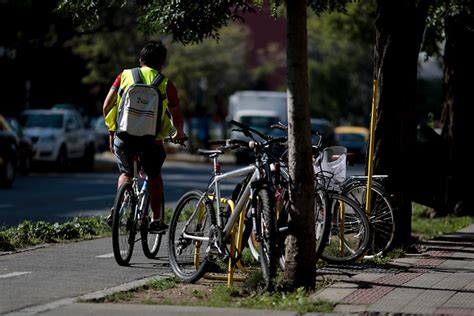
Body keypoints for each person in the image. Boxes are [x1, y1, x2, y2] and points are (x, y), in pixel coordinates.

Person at [103, 40, 186, 233]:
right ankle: (156, 220)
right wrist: (179, 133)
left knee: (126, 173)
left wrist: (111, 130)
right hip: (152, 141)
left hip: (124, 137)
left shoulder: (124, 76)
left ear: (141, 59)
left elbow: (107, 105)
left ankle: (118, 210)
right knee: (154, 176)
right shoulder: (166, 84)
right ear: (161, 63)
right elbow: (177, 114)